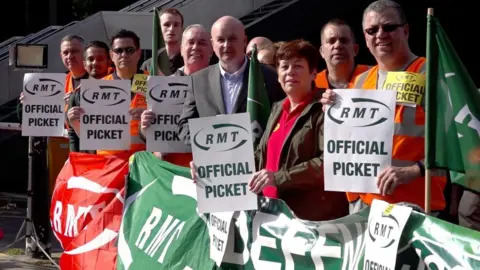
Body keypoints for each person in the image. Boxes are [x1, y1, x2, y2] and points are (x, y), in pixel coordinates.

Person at [192, 40, 349, 221]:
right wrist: (211, 167)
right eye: (284, 67)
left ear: (313, 72)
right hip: (271, 216)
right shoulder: (277, 108)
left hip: (310, 220)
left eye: (298, 66)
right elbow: (260, 155)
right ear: (278, 75)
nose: (290, 72)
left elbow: (329, 163)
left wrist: (278, 178)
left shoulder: (327, 107)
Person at [320, 0, 446, 214]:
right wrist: (334, 114)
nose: (380, 34)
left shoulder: (431, 75)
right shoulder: (360, 81)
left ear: (405, 30)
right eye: (371, 30)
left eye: (388, 27)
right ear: (365, 37)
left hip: (414, 207)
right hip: (363, 207)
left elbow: (454, 141)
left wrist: (415, 170)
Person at [176, 16, 285, 146]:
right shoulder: (198, 81)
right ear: (212, 44)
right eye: (221, 40)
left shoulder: (269, 76)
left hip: (257, 163)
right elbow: (183, 127)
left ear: (244, 41)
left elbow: (283, 123)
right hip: (214, 162)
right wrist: (212, 138)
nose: (227, 45)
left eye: (232, 39)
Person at [140, 24, 213, 166]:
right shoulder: (161, 86)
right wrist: (144, 127)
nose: (195, 47)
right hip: (172, 168)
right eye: (190, 42)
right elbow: (145, 135)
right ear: (181, 49)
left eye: (202, 43)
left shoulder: (223, 85)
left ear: (211, 50)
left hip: (207, 166)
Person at [68, 30, 147, 158]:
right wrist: (76, 124)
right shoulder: (97, 89)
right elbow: (92, 139)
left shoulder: (153, 85)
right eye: (119, 51)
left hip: (143, 165)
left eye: (130, 50)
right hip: (107, 164)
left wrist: (153, 120)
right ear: (111, 55)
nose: (124, 55)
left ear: (139, 53)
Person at [66, 41, 113, 153]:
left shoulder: (124, 92)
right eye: (91, 59)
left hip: (116, 162)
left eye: (100, 58)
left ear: (109, 61)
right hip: (88, 162)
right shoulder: (76, 96)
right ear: (85, 64)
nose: (95, 62)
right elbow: (73, 135)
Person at [316, 19, 370, 89]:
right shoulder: (311, 85)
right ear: (322, 52)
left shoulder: (374, 76)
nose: (338, 45)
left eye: (344, 41)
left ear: (355, 50)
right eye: (331, 41)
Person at [140, 8, 184, 75]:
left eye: (176, 25)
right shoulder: (147, 65)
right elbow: (138, 86)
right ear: (159, 28)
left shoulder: (189, 62)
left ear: (182, 29)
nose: (171, 29)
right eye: (167, 24)